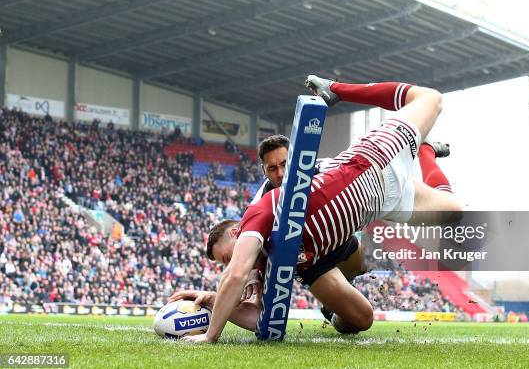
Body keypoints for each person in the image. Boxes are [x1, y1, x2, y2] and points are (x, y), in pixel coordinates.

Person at [179, 75, 463, 342]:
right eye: (272, 168)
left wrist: (210, 335)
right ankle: (425, 150)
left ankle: (336, 89)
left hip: (372, 163)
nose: (229, 265)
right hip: (371, 212)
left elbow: (236, 273)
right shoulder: (264, 260)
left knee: (429, 98)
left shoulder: (262, 209)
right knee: (361, 319)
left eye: (226, 257)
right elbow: (259, 318)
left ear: (237, 232)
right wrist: (218, 301)